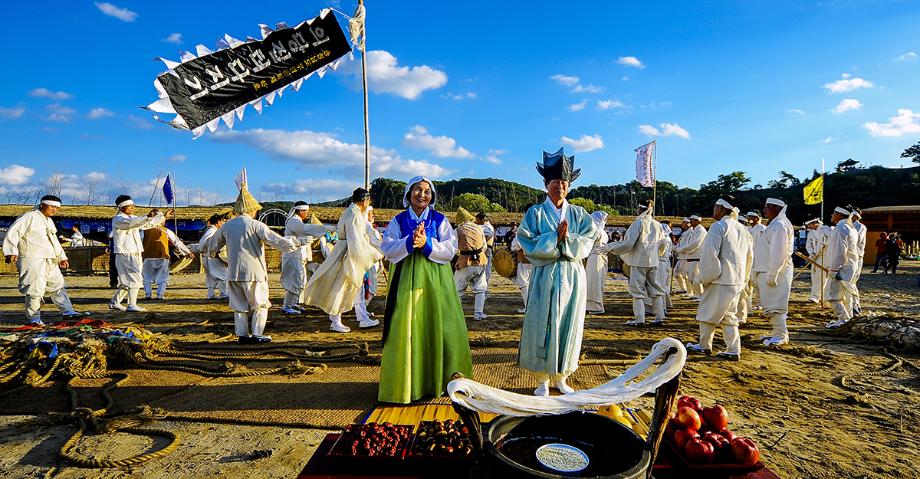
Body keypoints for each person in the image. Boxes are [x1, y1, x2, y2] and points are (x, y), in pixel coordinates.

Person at [378, 176, 473, 403]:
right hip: (405, 281)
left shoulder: (439, 220)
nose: (422, 195)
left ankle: (439, 380)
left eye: (427, 191)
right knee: (407, 327)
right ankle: (408, 383)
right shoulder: (398, 220)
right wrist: (410, 242)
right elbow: (387, 248)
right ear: (409, 193)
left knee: (439, 323)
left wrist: (427, 244)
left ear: (432, 196)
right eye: (418, 190)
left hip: (436, 281)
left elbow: (450, 250)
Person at [517, 148, 598, 396]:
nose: (559, 186)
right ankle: (542, 379)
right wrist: (555, 238)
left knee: (569, 324)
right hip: (545, 276)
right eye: (554, 182)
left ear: (569, 186)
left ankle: (562, 376)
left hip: (572, 276)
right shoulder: (535, 213)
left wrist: (567, 240)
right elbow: (526, 240)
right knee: (542, 323)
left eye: (564, 182)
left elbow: (589, 238)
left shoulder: (579, 214)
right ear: (546, 184)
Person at [210, 172, 301, 343]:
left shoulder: (227, 226)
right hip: (254, 273)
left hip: (234, 272)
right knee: (260, 304)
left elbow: (213, 246)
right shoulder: (257, 225)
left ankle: (242, 335)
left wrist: (209, 252)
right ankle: (258, 334)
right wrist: (295, 243)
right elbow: (276, 241)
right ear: (252, 209)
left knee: (239, 307)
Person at [303, 188, 383, 332]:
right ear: (365, 200)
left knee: (353, 288)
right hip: (348, 254)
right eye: (368, 200)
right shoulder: (354, 215)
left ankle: (361, 318)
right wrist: (372, 254)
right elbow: (356, 241)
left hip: (346, 251)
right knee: (341, 288)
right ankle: (338, 320)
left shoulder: (352, 212)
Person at [686, 198, 753, 360]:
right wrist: (745, 279)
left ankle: (706, 346)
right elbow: (750, 257)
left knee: (706, 311)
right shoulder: (743, 229)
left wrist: (704, 277)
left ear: (722, 209)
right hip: (736, 280)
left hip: (719, 279)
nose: (713, 209)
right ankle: (731, 349)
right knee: (728, 314)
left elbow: (710, 256)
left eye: (715, 206)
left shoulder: (718, 227)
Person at [3, 195, 86, 325]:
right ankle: (34, 319)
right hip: (32, 258)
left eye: (57, 208)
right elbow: (14, 232)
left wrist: (61, 257)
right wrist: (10, 251)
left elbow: (53, 241)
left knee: (58, 284)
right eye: (52, 206)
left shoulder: (49, 221)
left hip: (49, 259)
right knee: (34, 288)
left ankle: (68, 312)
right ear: (42, 205)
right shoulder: (29, 216)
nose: (54, 210)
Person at [607, 201, 666, 325]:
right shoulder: (657, 225)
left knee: (637, 291)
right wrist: (657, 255)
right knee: (656, 289)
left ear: (641, 209)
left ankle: (640, 319)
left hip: (639, 261)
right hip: (653, 261)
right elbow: (663, 244)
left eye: (638, 208)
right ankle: (659, 317)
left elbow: (628, 243)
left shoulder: (638, 224)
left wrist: (611, 247)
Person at [109, 195, 171, 312]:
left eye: (133, 206)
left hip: (135, 252)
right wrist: (147, 216)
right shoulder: (118, 219)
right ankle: (132, 304)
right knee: (135, 278)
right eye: (130, 206)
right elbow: (132, 223)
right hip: (126, 253)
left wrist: (162, 217)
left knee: (127, 281)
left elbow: (147, 224)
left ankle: (115, 302)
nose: (133, 208)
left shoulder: (132, 218)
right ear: (122, 207)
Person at [752, 198, 794, 346]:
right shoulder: (775, 224)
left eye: (767, 207)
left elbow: (779, 252)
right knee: (771, 304)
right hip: (769, 270)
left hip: (776, 272)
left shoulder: (780, 225)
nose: (764, 210)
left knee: (776, 305)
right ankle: (778, 333)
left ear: (777, 208)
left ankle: (781, 335)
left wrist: (773, 273)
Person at [280, 201, 328, 315]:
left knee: (300, 281)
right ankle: (287, 306)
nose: (307, 214)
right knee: (296, 282)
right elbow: (305, 229)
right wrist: (326, 228)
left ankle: (292, 303)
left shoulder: (297, 222)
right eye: (306, 211)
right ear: (301, 211)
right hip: (293, 256)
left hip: (298, 257)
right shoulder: (294, 221)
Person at [824, 207, 859, 329]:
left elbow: (839, 251)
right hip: (850, 266)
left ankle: (843, 319)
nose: (832, 215)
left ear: (839, 215)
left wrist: (834, 269)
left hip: (842, 267)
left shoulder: (840, 228)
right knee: (844, 296)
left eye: (834, 213)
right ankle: (847, 319)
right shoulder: (850, 228)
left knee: (832, 296)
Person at [453, 207, 489, 321]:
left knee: (457, 289)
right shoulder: (478, 228)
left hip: (465, 261)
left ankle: (457, 314)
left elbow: (453, 249)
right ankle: (478, 314)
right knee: (481, 288)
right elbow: (484, 245)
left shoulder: (458, 230)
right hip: (481, 260)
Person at [141, 224, 193, 300]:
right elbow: (177, 242)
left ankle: (148, 295)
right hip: (162, 257)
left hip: (147, 257)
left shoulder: (143, 231)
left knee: (147, 277)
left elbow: (138, 242)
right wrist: (187, 252)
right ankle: (160, 295)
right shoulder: (166, 230)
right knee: (163, 277)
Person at [188, 212, 230, 299]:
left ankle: (211, 295)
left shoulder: (210, 230)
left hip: (208, 257)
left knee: (211, 277)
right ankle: (223, 294)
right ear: (218, 222)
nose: (222, 223)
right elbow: (204, 244)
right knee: (222, 275)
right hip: (213, 257)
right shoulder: (213, 231)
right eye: (221, 222)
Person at [674, 215, 707, 300]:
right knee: (691, 277)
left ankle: (700, 295)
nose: (690, 222)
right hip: (691, 256)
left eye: (692, 220)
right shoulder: (695, 230)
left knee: (695, 278)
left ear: (697, 221)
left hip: (696, 257)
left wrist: (681, 249)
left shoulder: (700, 230)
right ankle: (696, 294)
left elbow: (695, 244)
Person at [585, 211, 610, 314]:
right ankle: (594, 304)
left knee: (593, 282)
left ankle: (595, 306)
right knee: (596, 282)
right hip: (600, 258)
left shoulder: (596, 231)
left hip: (595, 258)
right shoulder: (602, 232)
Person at [804, 218, 831, 303]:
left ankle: (816, 296)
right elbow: (809, 244)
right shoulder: (811, 233)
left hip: (825, 256)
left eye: (810, 224)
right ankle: (817, 295)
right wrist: (811, 253)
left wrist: (826, 245)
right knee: (814, 276)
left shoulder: (826, 229)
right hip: (815, 257)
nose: (808, 226)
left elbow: (833, 240)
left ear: (816, 223)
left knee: (820, 276)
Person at [510, 234, 532, 314]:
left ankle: (528, 307)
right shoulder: (539, 230)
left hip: (524, 260)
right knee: (533, 284)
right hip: (536, 261)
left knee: (523, 284)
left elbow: (514, 247)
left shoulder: (521, 233)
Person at [850, 209, 867, 316]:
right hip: (849, 257)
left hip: (856, 257)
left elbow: (856, 239)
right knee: (847, 283)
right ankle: (851, 305)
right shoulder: (848, 226)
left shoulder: (860, 227)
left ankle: (855, 306)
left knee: (852, 282)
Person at [657, 221, 674, 311]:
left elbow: (659, 252)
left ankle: (662, 307)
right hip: (665, 262)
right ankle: (666, 304)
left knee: (660, 286)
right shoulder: (668, 238)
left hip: (661, 262)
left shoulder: (662, 239)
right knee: (664, 285)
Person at [476, 212, 496, 283]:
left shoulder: (488, 227)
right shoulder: (482, 227)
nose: (477, 223)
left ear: (483, 220)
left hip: (487, 249)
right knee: (481, 268)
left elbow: (489, 234)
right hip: (481, 250)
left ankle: (486, 289)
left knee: (486, 269)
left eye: (478, 221)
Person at [673, 218, 691, 294]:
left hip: (685, 256)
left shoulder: (691, 232)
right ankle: (683, 288)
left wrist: (679, 249)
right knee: (676, 273)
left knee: (685, 275)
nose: (682, 224)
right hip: (680, 256)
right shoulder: (684, 233)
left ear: (688, 223)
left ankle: (689, 291)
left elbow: (688, 245)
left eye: (684, 222)